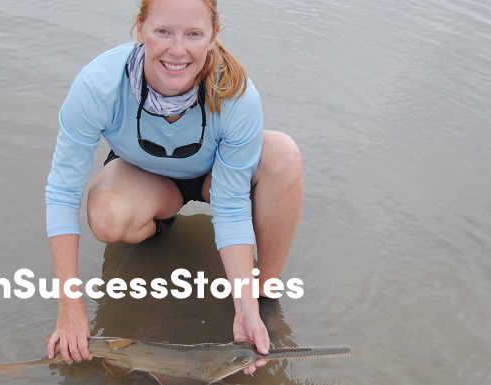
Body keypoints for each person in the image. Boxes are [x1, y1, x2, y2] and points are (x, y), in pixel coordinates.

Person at [44, 0, 303, 376]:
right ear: (139, 29)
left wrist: (244, 306)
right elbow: (62, 191)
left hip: (217, 177)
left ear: (213, 36)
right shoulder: (98, 84)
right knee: (105, 215)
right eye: (163, 31)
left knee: (283, 155)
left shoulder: (237, 95)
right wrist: (69, 304)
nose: (177, 50)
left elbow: (230, 207)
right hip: (146, 176)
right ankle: (157, 226)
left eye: (194, 34)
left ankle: (263, 292)